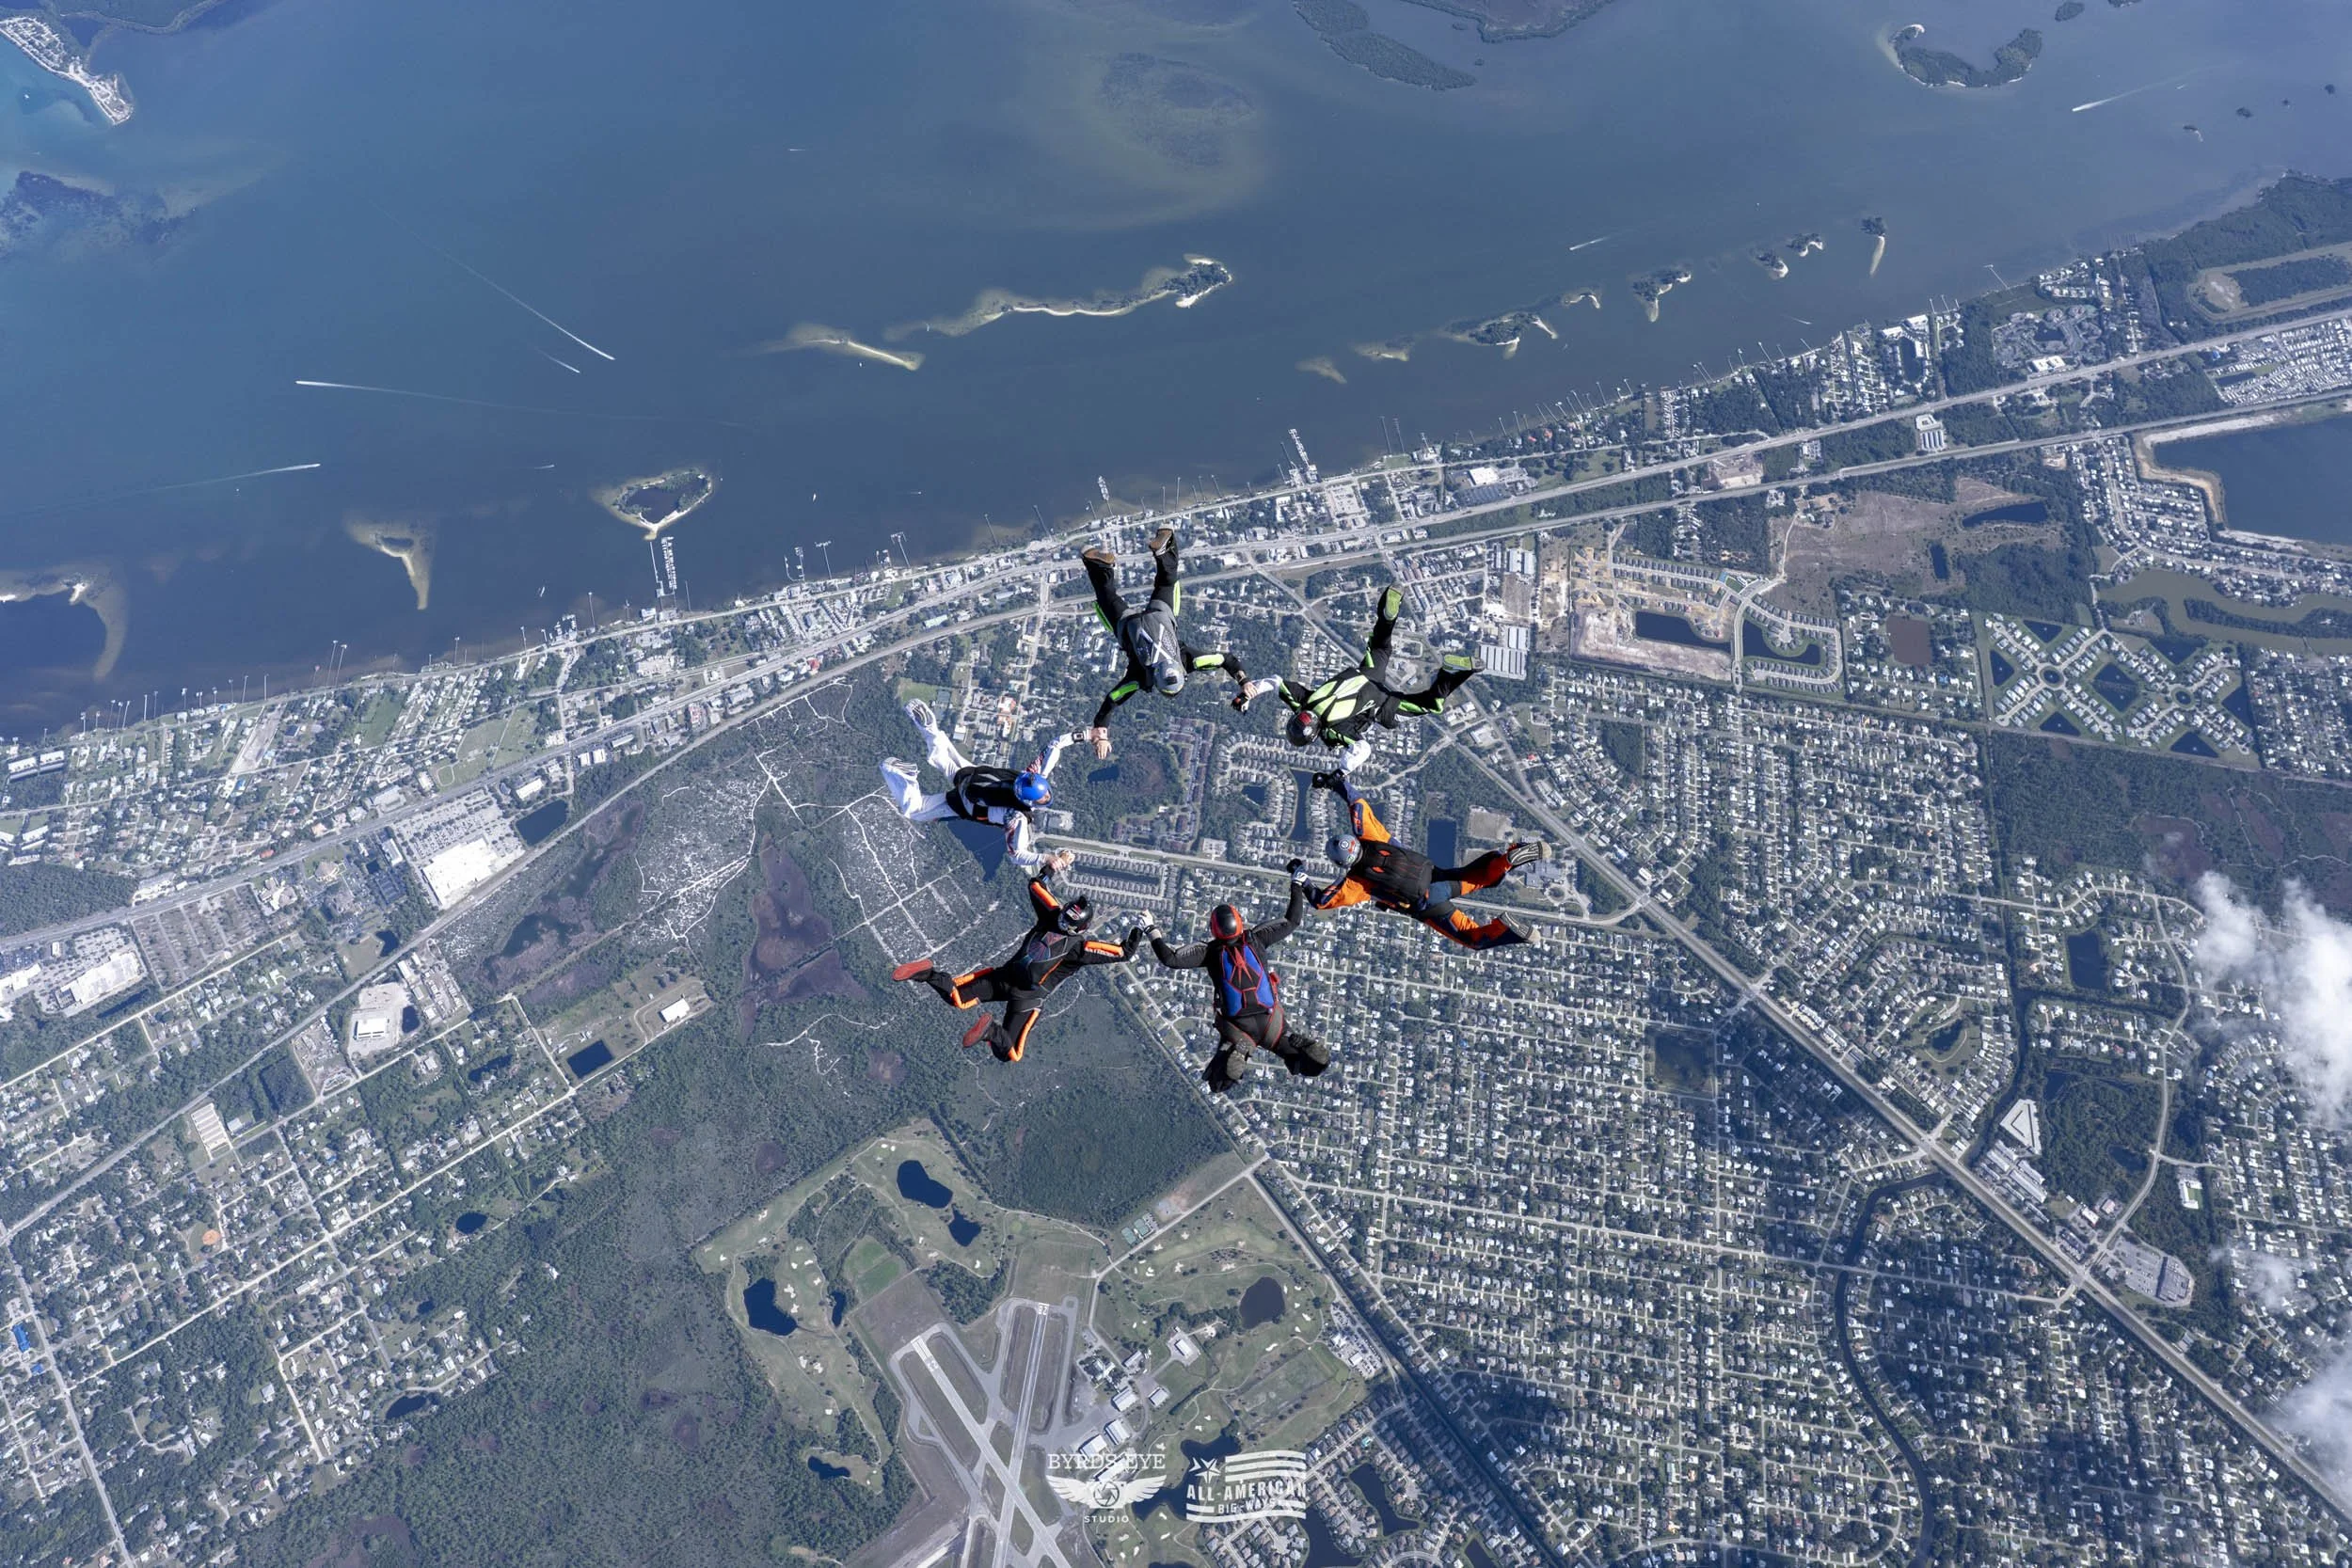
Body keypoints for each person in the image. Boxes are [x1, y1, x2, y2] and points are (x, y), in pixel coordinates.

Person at [892, 858, 1144, 1062]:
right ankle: (990, 1031)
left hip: (1004, 977)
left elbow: (1036, 884)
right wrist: (1140, 929)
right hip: (1027, 997)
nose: (1062, 923)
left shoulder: (1051, 914)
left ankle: (927, 974)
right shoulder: (1081, 947)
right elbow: (1123, 953)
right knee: (1010, 1053)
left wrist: (1054, 866)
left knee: (956, 997)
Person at [1239, 585, 1479, 770]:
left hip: (1382, 706)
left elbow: (1362, 748)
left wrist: (1341, 772)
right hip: (1366, 674)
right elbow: (1275, 682)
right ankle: (1388, 615)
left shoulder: (1333, 731)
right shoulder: (1302, 702)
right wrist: (1249, 693)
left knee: (1429, 704)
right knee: (1381, 646)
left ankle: (1451, 672)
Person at [1307, 769, 1546, 950]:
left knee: (1472, 938)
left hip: (1429, 903)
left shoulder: (1357, 883)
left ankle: (1509, 931)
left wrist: (1300, 877)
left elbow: (1322, 901)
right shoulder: (1371, 837)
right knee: (1483, 878)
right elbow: (1357, 804)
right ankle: (1508, 859)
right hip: (1436, 875)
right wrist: (1335, 783)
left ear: (1341, 863)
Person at [1144, 870, 1329, 1094]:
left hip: (1238, 1028)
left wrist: (1151, 930)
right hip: (1272, 1020)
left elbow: (1170, 959)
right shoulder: (1257, 939)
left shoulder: (1210, 952)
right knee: (1305, 1063)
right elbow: (1292, 920)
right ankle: (1298, 1047)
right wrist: (1296, 885)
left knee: (1217, 1080)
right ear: (1239, 922)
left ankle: (1238, 1051)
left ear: (1214, 929)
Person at [1079, 528, 1253, 754]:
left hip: (1160, 614)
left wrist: (1244, 681)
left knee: (1167, 582)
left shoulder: (1188, 661)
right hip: (1129, 625)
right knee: (1106, 597)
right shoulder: (1142, 678)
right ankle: (1100, 567)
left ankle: (1163, 551)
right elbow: (1113, 699)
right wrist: (1100, 732)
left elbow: (1226, 659)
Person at [880, 699, 1075, 871]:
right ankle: (906, 776)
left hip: (973, 776)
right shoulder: (1017, 818)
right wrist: (1046, 858)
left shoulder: (1032, 775)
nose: (1046, 797)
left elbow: (1055, 745)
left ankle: (930, 728)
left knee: (941, 756)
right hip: (965, 805)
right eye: (1043, 798)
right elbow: (1017, 855)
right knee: (914, 809)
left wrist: (1090, 734)